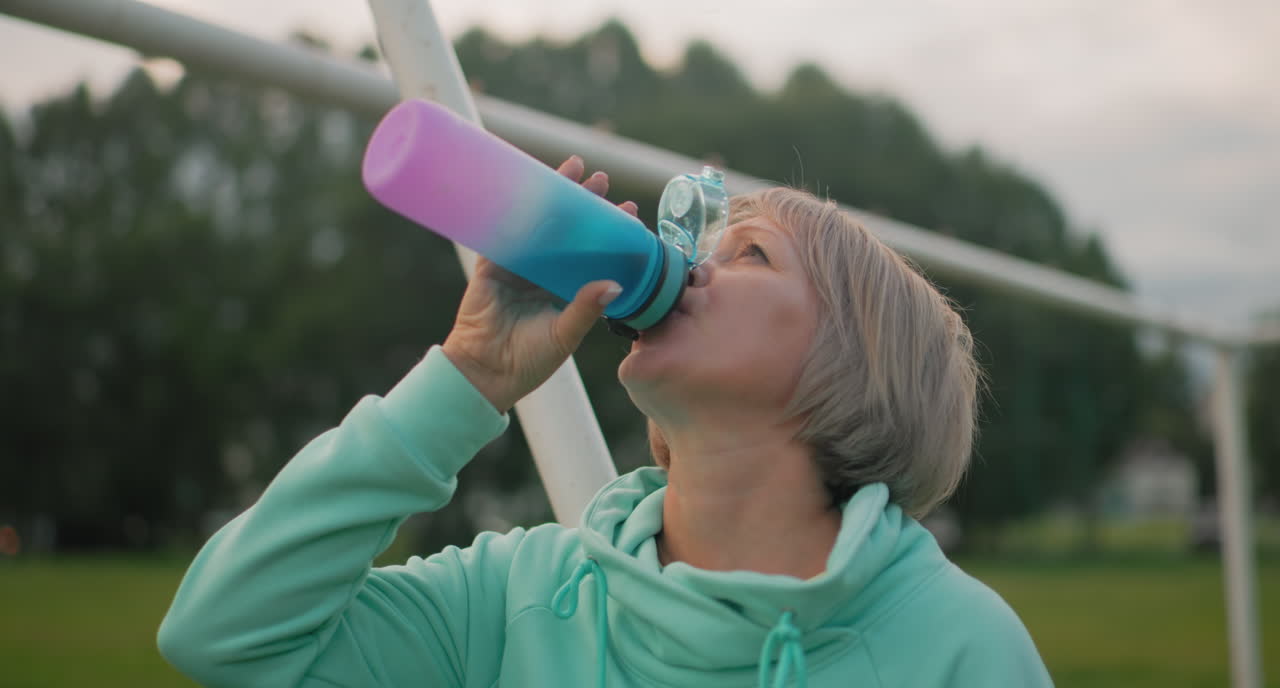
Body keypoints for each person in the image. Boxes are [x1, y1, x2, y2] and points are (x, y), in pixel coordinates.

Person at [159, 156, 1052, 687]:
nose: (686, 266)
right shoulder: (515, 599)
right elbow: (222, 633)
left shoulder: (960, 648)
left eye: (749, 253)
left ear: (857, 365)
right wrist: (469, 375)